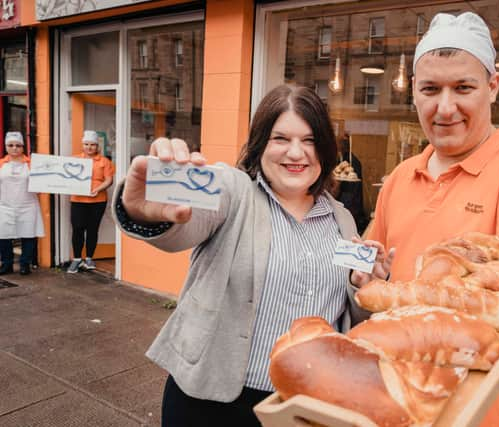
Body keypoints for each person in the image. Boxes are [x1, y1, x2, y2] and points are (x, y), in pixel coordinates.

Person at [111, 84, 393, 426]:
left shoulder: (342, 218)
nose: (296, 153)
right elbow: (182, 225)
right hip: (214, 402)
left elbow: (348, 314)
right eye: (281, 139)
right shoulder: (233, 191)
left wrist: (363, 285)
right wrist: (141, 208)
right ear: (260, 144)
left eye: (309, 140)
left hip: (302, 404)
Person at [366, 12, 499, 427]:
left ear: (493, 86)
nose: (445, 107)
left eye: (463, 88)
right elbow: (373, 272)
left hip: (486, 412)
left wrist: (405, 293)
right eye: (430, 89)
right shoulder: (402, 176)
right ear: (414, 95)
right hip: (400, 404)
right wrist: (362, 272)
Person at [67, 130, 115, 273]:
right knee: (77, 229)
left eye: (92, 145)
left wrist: (98, 189)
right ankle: (76, 259)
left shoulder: (104, 161)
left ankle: (89, 258)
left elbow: (109, 180)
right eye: (86, 144)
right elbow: (66, 177)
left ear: (97, 146)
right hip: (78, 200)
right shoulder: (75, 160)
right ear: (83, 145)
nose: (89, 147)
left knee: (92, 229)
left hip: (98, 201)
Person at [0, 132, 45, 275]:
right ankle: (7, 264)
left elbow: (42, 184)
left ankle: (25, 264)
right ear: (6, 147)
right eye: (11, 145)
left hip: (28, 205)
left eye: (18, 145)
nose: (14, 148)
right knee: (3, 236)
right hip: (5, 205)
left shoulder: (32, 164)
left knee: (28, 235)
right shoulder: (1, 164)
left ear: (23, 147)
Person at [335, 133, 367, 233]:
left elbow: (352, 192)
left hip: (349, 204)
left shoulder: (352, 162)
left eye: (342, 143)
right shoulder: (341, 160)